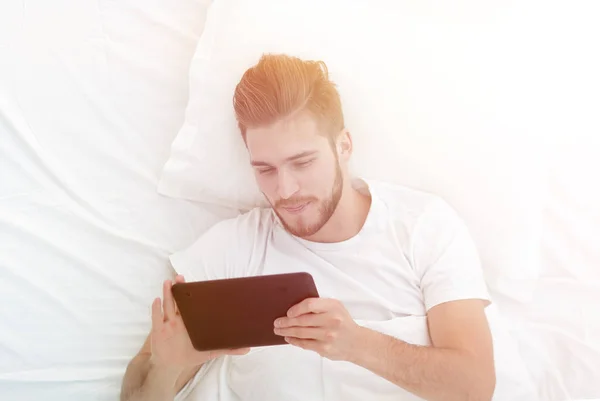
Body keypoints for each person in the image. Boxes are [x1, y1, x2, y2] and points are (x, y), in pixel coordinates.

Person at [120, 54, 496, 401]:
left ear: (344, 146)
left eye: (302, 162)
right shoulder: (232, 249)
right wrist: (166, 366)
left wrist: (357, 344)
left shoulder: (422, 225)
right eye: (265, 169)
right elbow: (138, 394)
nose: (284, 190)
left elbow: (474, 385)